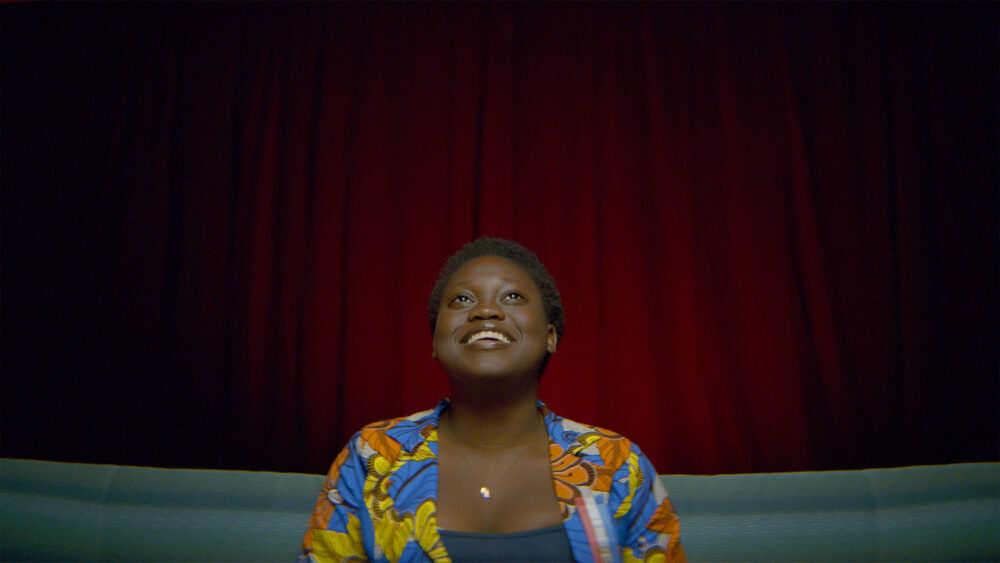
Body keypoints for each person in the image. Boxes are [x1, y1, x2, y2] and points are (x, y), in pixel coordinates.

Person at [299, 237, 685, 563]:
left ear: (551, 335)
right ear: (435, 341)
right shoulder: (372, 456)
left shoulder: (617, 464)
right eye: (462, 300)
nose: (485, 311)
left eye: (513, 296)